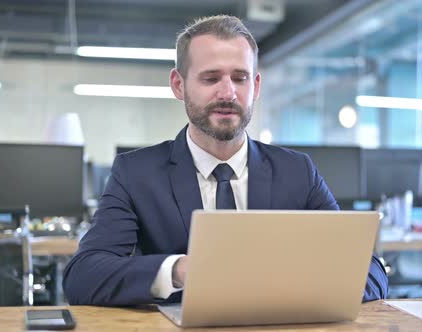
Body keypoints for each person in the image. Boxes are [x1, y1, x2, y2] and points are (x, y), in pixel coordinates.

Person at [63, 15, 388, 306]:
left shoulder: (297, 171)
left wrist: (291, 282)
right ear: (179, 85)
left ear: (256, 85)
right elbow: (83, 275)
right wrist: (178, 270)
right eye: (211, 78)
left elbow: (371, 272)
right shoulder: (136, 173)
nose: (228, 92)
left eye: (240, 77)